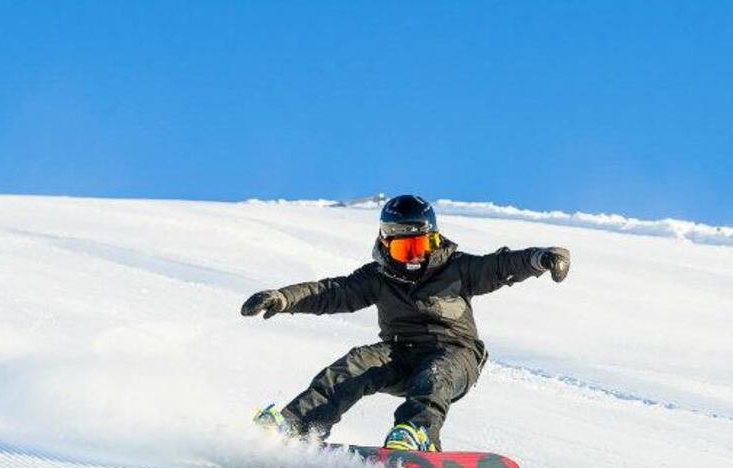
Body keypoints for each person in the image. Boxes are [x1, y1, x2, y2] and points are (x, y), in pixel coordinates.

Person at [240, 194, 570, 452]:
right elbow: (332, 292)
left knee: (434, 376)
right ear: (386, 244)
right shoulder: (378, 277)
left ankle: (417, 434)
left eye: (420, 245)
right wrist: (283, 298)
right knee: (354, 365)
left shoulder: (457, 268)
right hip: (400, 354)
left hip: (456, 354)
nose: (414, 257)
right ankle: (297, 427)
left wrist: (539, 258)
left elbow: (500, 266)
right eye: (404, 247)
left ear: (434, 240)